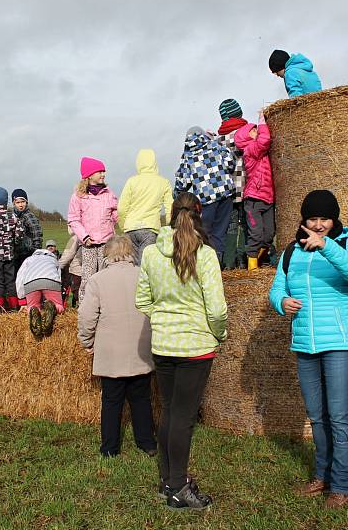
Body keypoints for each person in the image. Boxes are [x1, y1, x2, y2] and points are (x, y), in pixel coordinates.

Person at [268, 189, 348, 510]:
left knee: (339, 415)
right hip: (305, 342)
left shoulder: (345, 243)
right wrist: (282, 302)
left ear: (334, 219)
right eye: (312, 218)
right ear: (304, 219)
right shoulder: (290, 252)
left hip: (341, 341)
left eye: (324, 218)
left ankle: (341, 485)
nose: (318, 224)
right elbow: (277, 287)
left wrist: (326, 246)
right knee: (317, 415)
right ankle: (322, 474)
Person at [135, 191, 227, 511]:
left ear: (171, 215)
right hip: (196, 346)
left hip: (164, 345)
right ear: (199, 214)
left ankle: (167, 479)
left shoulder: (150, 254)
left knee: (171, 412)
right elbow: (216, 310)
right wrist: (220, 334)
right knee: (183, 418)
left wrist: (163, 318)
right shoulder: (204, 254)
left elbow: (142, 300)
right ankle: (177, 486)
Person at [78, 235, 156, 458]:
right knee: (141, 397)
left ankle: (110, 448)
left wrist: (86, 341)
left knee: (111, 400)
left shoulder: (98, 280)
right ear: (131, 252)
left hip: (111, 351)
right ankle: (147, 442)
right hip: (141, 347)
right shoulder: (144, 276)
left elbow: (86, 316)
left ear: (107, 254)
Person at [174, 127, 235, 264]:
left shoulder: (188, 155)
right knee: (220, 233)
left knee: (205, 234)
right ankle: (217, 265)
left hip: (206, 200)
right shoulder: (215, 145)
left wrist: (177, 194)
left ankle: (206, 265)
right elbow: (230, 162)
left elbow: (183, 182)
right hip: (225, 195)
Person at [67, 157, 118, 300]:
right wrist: (84, 237)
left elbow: (116, 214)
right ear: (89, 175)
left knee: (105, 276)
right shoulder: (78, 196)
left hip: (106, 242)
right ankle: (85, 306)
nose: (103, 174)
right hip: (88, 243)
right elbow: (74, 219)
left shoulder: (109, 194)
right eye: (99, 171)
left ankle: (105, 305)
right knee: (88, 277)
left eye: (104, 171)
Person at [234, 112, 275, 271]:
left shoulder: (257, 150)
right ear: (246, 137)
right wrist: (262, 121)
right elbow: (264, 140)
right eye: (253, 130)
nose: (257, 130)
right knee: (256, 235)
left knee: (269, 235)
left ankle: (258, 260)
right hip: (254, 200)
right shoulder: (250, 150)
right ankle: (252, 268)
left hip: (267, 198)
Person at [117, 149, 174, 264]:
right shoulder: (164, 182)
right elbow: (170, 208)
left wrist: (123, 226)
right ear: (154, 163)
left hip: (130, 228)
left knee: (131, 266)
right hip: (150, 228)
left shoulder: (131, 181)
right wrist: (170, 226)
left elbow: (122, 208)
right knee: (145, 267)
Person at [215, 99, 249, 270]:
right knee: (246, 225)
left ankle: (228, 264)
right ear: (239, 113)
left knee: (230, 226)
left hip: (227, 191)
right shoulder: (247, 132)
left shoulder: (217, 139)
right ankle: (244, 261)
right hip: (247, 187)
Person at [15, 247, 63, 338]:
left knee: (33, 306)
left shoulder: (28, 260)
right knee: (58, 306)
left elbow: (19, 278)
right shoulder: (53, 260)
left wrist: (22, 301)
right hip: (50, 280)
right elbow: (59, 277)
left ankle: (33, 310)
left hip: (31, 282)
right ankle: (53, 307)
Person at [12, 189, 43, 271]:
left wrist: (35, 252)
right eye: (18, 202)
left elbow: (37, 234)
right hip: (16, 253)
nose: (20, 205)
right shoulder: (14, 216)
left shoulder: (29, 216)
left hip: (28, 253)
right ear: (14, 203)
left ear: (26, 202)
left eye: (23, 202)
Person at [59, 231, 83, 308]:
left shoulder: (74, 238)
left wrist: (58, 266)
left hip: (78, 271)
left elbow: (67, 254)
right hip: (94, 270)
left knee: (78, 292)